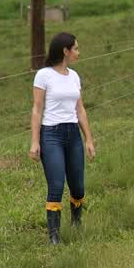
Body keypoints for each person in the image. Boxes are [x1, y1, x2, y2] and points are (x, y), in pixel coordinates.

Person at [29, 32, 95, 245]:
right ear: (65, 51)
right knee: (56, 185)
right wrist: (35, 141)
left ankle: (76, 224)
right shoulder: (43, 75)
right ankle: (54, 237)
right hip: (51, 135)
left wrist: (88, 139)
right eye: (75, 48)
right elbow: (37, 110)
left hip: (73, 134)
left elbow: (80, 109)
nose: (78, 52)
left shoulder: (74, 76)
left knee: (78, 186)